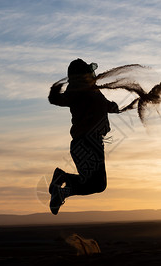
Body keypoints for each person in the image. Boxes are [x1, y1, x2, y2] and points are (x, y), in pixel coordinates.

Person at [48, 58, 119, 215]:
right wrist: (54, 94)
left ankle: (61, 183)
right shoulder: (77, 90)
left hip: (91, 143)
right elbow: (59, 100)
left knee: (96, 184)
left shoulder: (91, 90)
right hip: (86, 143)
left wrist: (112, 107)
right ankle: (61, 181)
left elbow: (104, 104)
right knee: (96, 184)